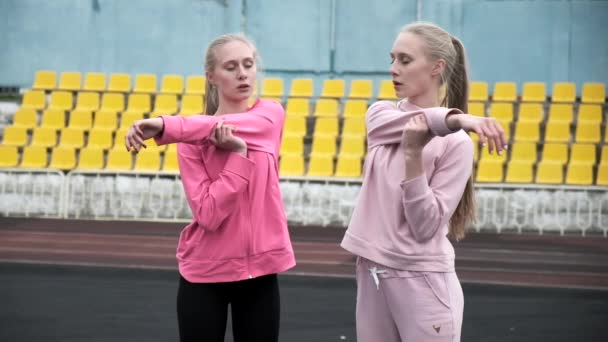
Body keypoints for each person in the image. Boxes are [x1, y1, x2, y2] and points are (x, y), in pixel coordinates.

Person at [340, 22, 507, 342]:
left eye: (405, 60)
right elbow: (410, 126)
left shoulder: (457, 143)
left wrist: (414, 158)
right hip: (372, 273)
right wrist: (459, 118)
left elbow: (425, 225)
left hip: (422, 279)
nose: (393, 69)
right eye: (392, 59)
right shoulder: (381, 114)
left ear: (436, 67)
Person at [125, 33, 295, 342]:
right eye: (231, 67)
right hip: (205, 271)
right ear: (211, 76)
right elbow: (209, 213)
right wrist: (239, 156)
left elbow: (208, 128)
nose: (243, 74)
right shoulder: (189, 144)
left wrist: (168, 126)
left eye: (248, 64)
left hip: (260, 270)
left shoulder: (270, 115)